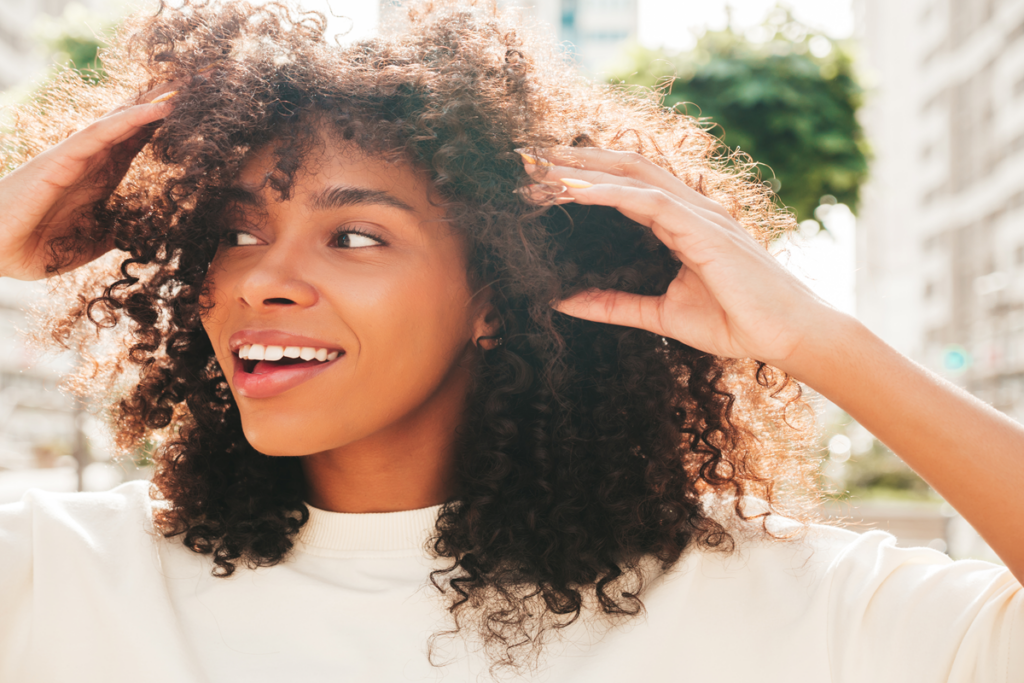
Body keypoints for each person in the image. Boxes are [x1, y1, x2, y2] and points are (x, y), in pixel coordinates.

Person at [0, 1, 1020, 681]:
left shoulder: (773, 599)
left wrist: (815, 338)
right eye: (234, 232)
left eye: (354, 234)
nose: (261, 276)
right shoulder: (66, 573)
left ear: (496, 293)